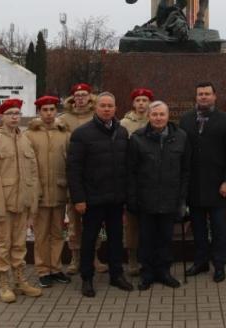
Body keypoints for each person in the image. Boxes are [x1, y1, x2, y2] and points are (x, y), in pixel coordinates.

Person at [66, 92, 134, 297]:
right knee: (89, 240)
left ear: (115, 108)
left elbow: (127, 166)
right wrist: (79, 198)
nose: (106, 109)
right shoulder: (82, 134)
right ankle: (87, 278)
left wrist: (126, 194)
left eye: (110, 106)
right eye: (103, 105)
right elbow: (74, 169)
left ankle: (116, 275)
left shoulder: (121, 132)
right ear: (96, 108)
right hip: (92, 199)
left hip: (115, 198)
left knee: (116, 238)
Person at [0, 98, 42, 303]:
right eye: (10, 114)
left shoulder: (24, 140)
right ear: (2, 116)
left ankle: (20, 280)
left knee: (19, 244)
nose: (15, 117)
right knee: (2, 245)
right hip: (4, 204)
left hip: (22, 202)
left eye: (17, 113)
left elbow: (33, 174)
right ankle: (4, 283)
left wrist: (32, 202)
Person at [127, 100, 190, 291]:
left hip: (170, 199)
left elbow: (185, 170)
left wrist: (182, 199)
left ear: (168, 116)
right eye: (154, 114)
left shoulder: (181, 137)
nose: (158, 118)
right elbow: (131, 171)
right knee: (146, 239)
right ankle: (147, 273)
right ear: (149, 116)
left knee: (165, 238)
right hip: (146, 199)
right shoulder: (137, 138)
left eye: (162, 114)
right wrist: (132, 199)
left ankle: (164, 272)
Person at [179, 82, 226, 283]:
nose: (203, 97)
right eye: (200, 94)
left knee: (219, 229)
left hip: (217, 186)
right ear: (196, 97)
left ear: (215, 96)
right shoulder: (186, 119)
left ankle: (219, 265)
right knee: (198, 229)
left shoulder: (225, 120)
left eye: (207, 94)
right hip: (194, 186)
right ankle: (201, 261)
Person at [58, 83, 106, 275]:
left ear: (90, 97)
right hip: (73, 175)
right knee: (74, 222)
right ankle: (75, 258)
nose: (80, 98)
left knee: (93, 222)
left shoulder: (97, 116)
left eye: (84, 95)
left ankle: (94, 257)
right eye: (77, 95)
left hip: (94, 177)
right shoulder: (63, 120)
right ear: (72, 98)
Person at [25, 95, 72, 288]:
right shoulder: (30, 135)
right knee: (42, 235)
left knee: (58, 233)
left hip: (59, 190)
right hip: (40, 193)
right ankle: (43, 270)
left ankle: (56, 268)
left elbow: (70, 162)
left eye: (52, 109)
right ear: (39, 112)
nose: (49, 113)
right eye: (45, 110)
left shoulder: (64, 134)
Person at [120, 88, 152, 276]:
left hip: (151, 179)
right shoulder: (124, 124)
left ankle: (149, 257)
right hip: (132, 178)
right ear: (133, 103)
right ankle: (132, 258)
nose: (141, 103)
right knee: (132, 224)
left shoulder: (155, 120)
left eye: (145, 100)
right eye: (138, 100)